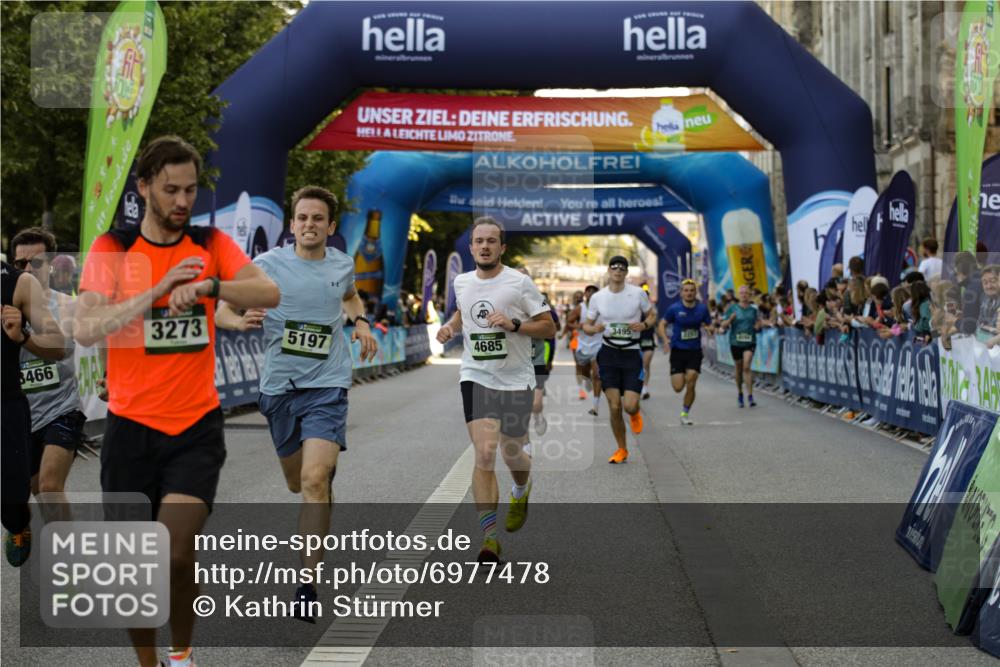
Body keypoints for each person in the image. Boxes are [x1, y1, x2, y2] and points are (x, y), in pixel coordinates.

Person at [75, 135, 281, 667]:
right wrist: (156, 290)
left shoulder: (209, 243)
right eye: (171, 190)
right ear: (144, 188)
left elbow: (267, 293)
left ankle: (183, 655)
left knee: (174, 551)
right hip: (129, 428)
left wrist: (213, 287)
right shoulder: (112, 249)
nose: (183, 200)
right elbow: (84, 327)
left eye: (190, 189)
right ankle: (150, 663)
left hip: (194, 426)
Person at [216, 185, 377, 622]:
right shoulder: (265, 266)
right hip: (279, 389)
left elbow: (348, 296)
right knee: (297, 483)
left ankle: (307, 583)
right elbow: (221, 309)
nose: (309, 224)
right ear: (293, 225)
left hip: (328, 385)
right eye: (302, 217)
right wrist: (239, 320)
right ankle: (318, 492)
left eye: (317, 219)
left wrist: (360, 322)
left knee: (313, 479)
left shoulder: (342, 264)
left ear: (329, 226)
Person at [435, 217, 555, 562]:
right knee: (485, 452)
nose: (484, 246)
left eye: (491, 241)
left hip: (516, 378)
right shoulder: (462, 281)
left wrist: (514, 324)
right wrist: (450, 327)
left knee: (512, 453)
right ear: (471, 246)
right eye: (478, 241)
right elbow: (462, 312)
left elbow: (547, 328)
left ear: (502, 247)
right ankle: (489, 538)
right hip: (477, 375)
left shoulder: (519, 283)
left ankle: (521, 488)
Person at [11, 228, 88, 521]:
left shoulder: (67, 305)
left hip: (61, 409)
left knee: (49, 486)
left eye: (38, 263)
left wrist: (22, 336)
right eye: (21, 265)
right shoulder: (7, 306)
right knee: (32, 491)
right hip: (21, 415)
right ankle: (20, 527)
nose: (29, 270)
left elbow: (61, 350)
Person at [2, 261, 66, 567]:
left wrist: (23, 338)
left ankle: (17, 525)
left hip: (7, 406)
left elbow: (57, 346)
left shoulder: (20, 284)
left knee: (12, 500)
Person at [582, 256, 655, 464]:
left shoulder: (637, 293)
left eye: (622, 268)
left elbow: (651, 315)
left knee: (630, 405)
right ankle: (621, 449)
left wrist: (644, 325)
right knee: (614, 406)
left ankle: (634, 413)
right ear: (608, 271)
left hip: (632, 354)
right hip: (609, 354)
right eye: (614, 267)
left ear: (626, 273)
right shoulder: (598, 297)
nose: (618, 271)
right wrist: (593, 328)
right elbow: (587, 325)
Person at [658, 279, 714, 425]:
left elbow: (709, 324)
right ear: (681, 292)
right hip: (678, 351)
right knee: (678, 387)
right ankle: (685, 403)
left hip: (694, 351)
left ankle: (685, 412)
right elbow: (662, 324)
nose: (689, 293)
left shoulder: (702, 309)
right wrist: (665, 340)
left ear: (696, 292)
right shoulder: (674, 309)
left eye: (692, 290)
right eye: (686, 290)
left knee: (692, 379)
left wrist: (710, 329)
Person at [719, 285, 761, 408]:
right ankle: (740, 393)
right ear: (738, 295)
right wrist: (730, 320)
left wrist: (758, 325)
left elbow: (758, 321)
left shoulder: (754, 310)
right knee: (738, 368)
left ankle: (750, 396)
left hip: (749, 341)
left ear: (750, 295)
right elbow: (723, 325)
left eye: (746, 293)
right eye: (741, 293)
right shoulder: (732, 308)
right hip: (735, 342)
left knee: (746, 366)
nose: (744, 295)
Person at [576, 285, 603, 416]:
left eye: (594, 292)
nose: (592, 294)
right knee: (585, 372)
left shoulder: (604, 307)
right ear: (585, 293)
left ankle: (595, 406)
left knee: (597, 374)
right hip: (583, 345)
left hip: (599, 345)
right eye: (589, 292)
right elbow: (569, 323)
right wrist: (579, 326)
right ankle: (587, 382)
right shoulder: (580, 308)